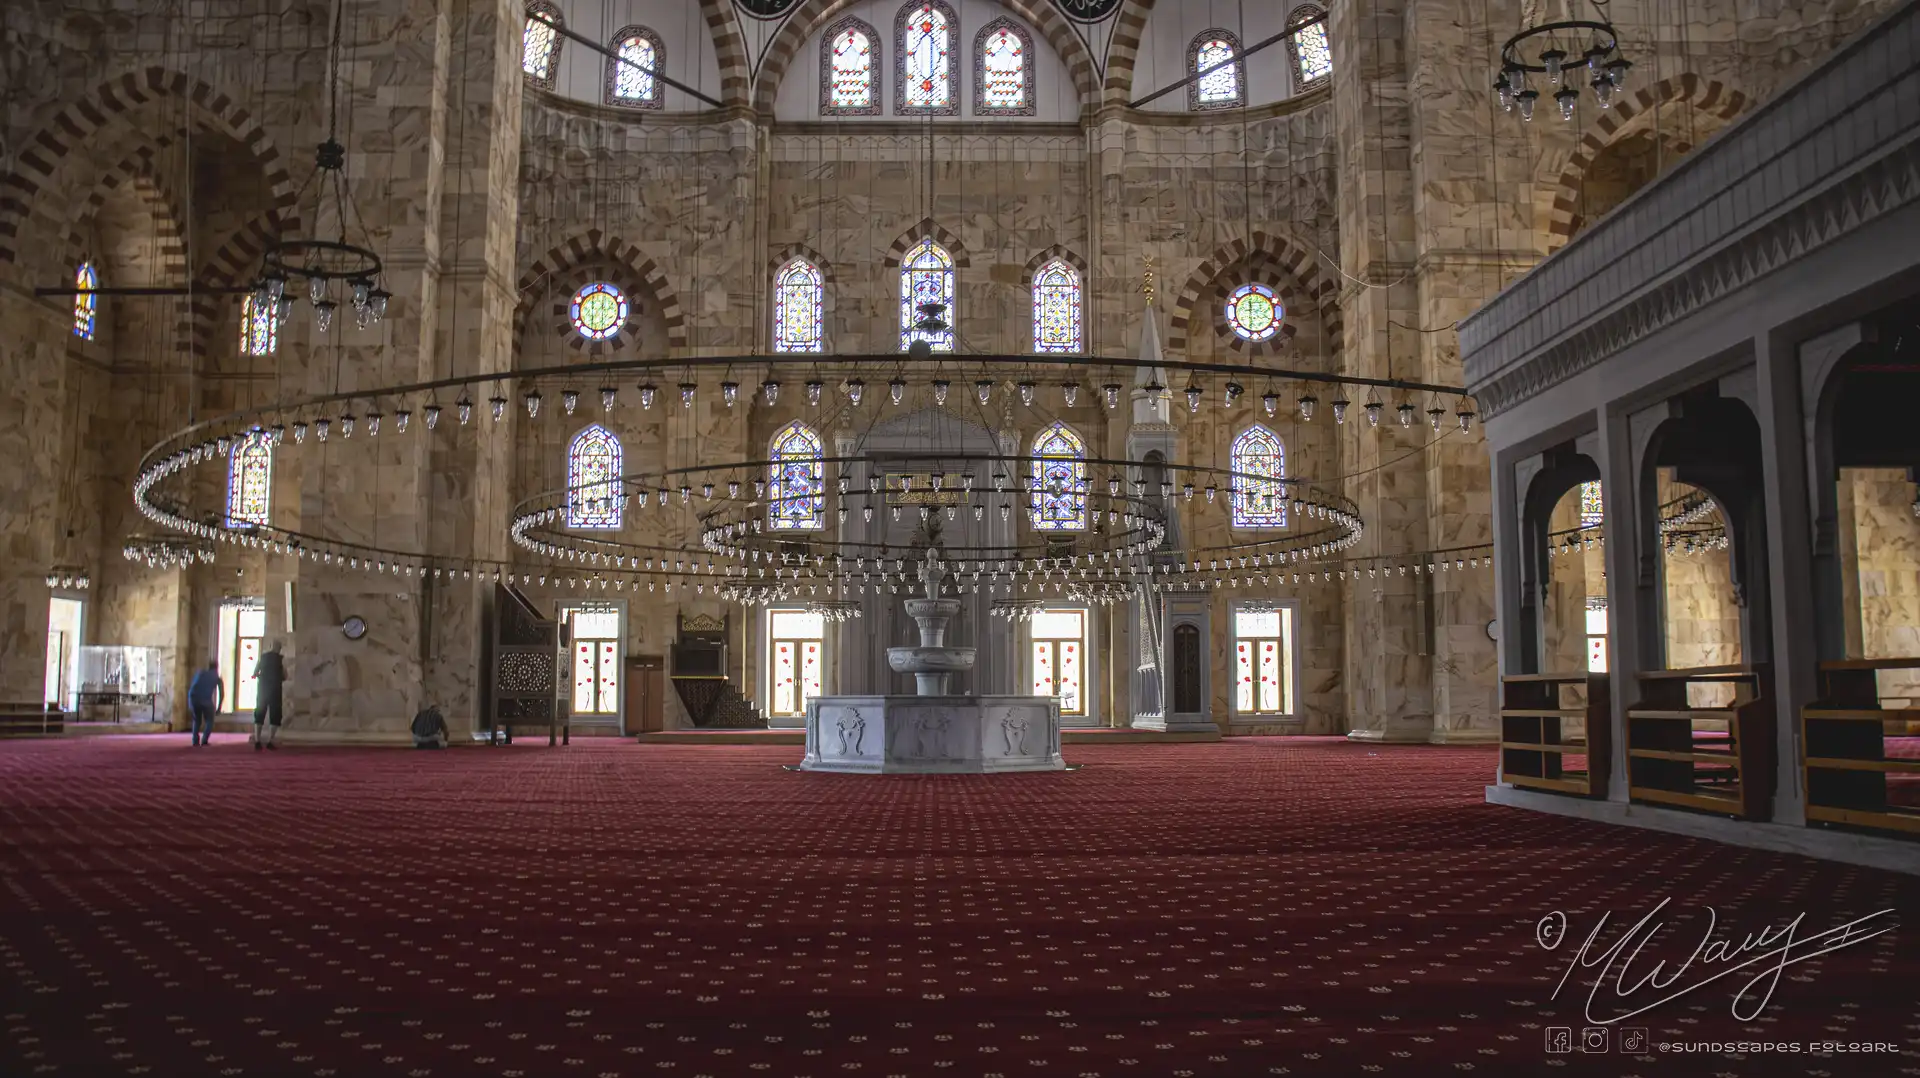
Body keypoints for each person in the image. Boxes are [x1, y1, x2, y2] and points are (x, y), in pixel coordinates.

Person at [252, 640, 287, 751]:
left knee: (259, 714)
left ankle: (257, 741)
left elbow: (255, 672)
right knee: (275, 716)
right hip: (275, 690)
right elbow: (285, 675)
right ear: (279, 648)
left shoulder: (263, 657)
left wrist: (262, 677)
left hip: (263, 689)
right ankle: (270, 741)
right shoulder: (280, 659)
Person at [186, 659, 223, 747]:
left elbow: (192, 688)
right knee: (209, 720)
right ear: (217, 668)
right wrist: (219, 708)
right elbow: (222, 694)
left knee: (197, 720)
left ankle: (195, 740)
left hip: (193, 698)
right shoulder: (217, 677)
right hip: (206, 700)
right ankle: (204, 740)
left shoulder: (200, 673)